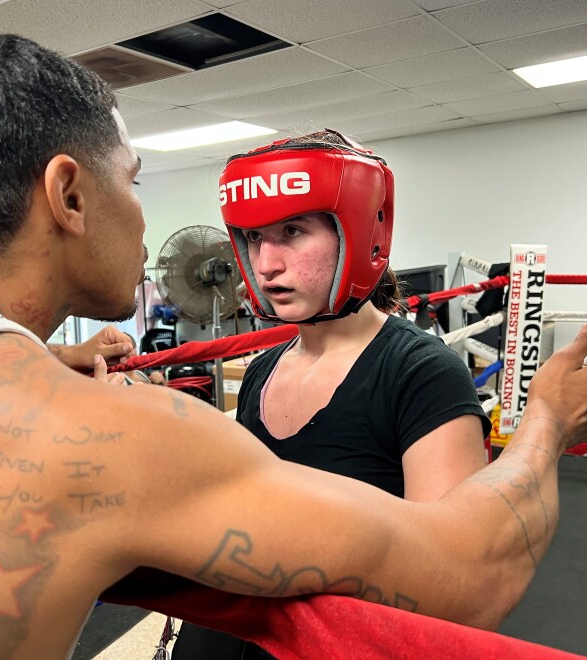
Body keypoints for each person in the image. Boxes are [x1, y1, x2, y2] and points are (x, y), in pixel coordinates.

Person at [0, 30, 587, 659]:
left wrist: (32, 367)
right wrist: (546, 424)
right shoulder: (122, 436)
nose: (145, 211)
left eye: (295, 232)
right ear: (68, 197)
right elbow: (475, 569)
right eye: (134, 178)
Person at [173, 130, 492, 659]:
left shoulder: (420, 372)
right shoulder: (263, 371)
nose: (267, 263)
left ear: (359, 231)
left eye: (293, 230)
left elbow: (448, 577)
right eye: (253, 238)